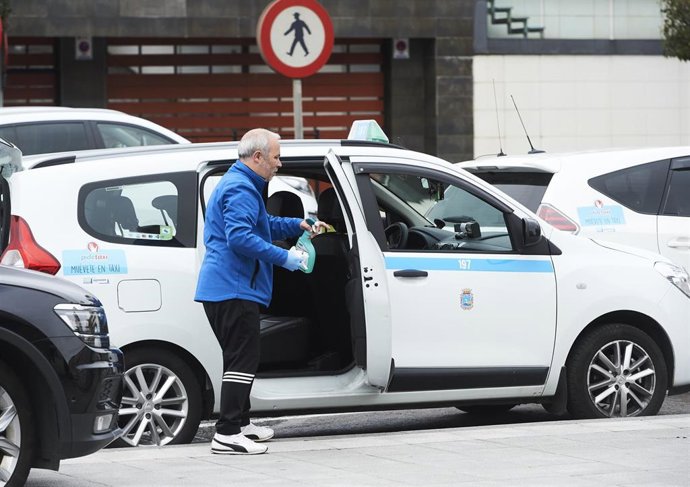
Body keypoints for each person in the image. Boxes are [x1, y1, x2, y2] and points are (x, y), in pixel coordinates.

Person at [195, 128, 327, 455]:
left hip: (232, 287)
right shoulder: (240, 187)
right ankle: (226, 433)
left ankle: (240, 423)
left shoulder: (243, 184)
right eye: (276, 157)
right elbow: (240, 237)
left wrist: (297, 225)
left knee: (242, 358)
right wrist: (286, 258)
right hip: (233, 288)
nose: (278, 164)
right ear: (257, 157)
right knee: (242, 359)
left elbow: (261, 224)